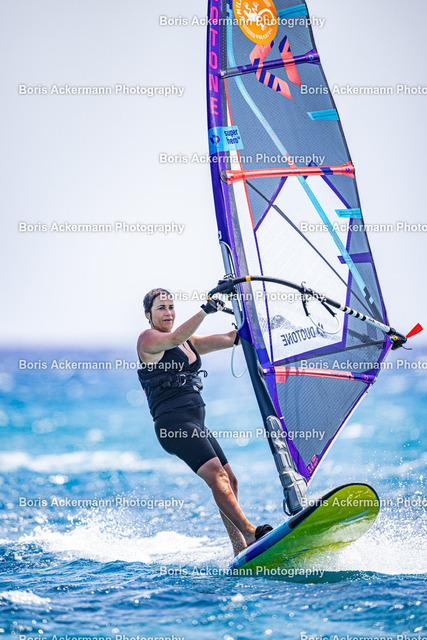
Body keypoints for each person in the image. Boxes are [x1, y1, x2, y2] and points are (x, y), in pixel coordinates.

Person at [137, 287, 272, 556]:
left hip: (196, 423)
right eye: (161, 308)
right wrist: (206, 309)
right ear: (148, 315)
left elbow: (232, 339)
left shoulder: (190, 342)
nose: (168, 312)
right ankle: (249, 532)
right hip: (173, 426)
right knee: (217, 476)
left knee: (230, 481)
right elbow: (175, 337)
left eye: (171, 307)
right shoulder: (147, 340)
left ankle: (239, 549)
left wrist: (265, 324)